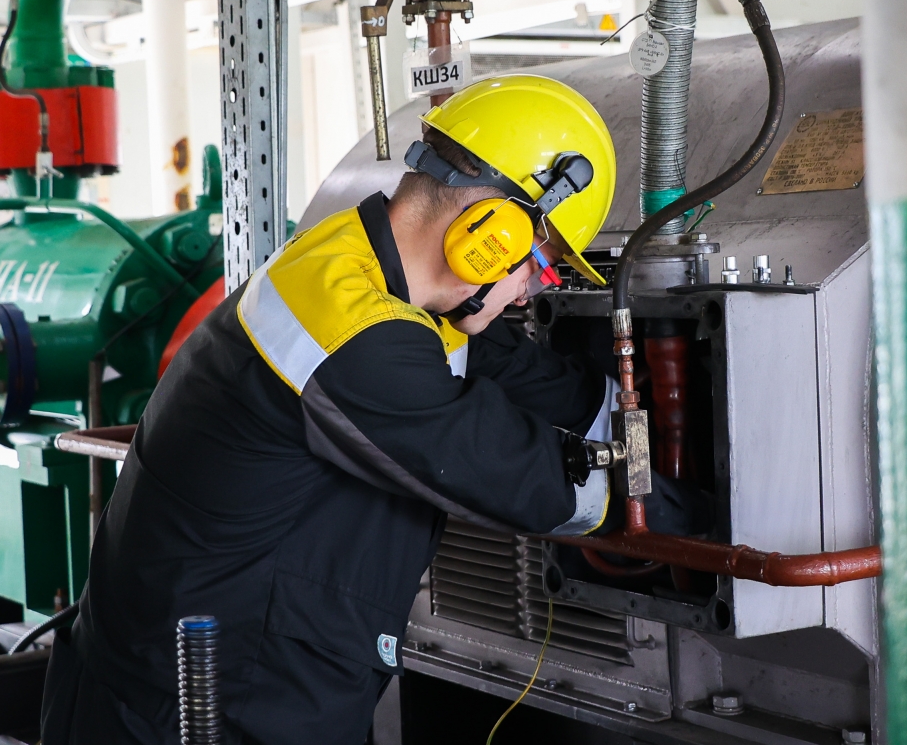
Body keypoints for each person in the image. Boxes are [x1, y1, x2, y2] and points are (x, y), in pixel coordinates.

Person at [40, 75, 707, 744]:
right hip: (195, 712)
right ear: (493, 235)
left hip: (236, 685)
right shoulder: (353, 334)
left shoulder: (359, 265)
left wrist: (613, 411)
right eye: (541, 262)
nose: (535, 289)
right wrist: (690, 513)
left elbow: (500, 358)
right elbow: (523, 478)